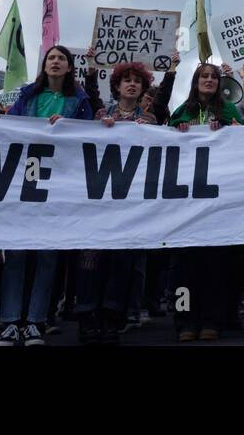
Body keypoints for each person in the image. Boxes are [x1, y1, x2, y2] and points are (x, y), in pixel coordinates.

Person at [0, 46, 94, 345]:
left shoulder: (79, 101)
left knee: (47, 255)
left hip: (59, 184)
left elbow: (89, 137)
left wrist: (71, 127)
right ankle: (11, 321)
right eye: (51, 57)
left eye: (61, 58)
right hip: (24, 180)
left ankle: (36, 321)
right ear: (45, 65)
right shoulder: (27, 97)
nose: (55, 61)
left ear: (68, 67)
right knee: (16, 254)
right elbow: (7, 128)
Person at [76, 61, 158, 345]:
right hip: (99, 200)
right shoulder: (100, 114)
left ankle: (112, 319)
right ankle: (88, 318)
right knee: (91, 260)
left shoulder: (150, 122)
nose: (132, 84)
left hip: (129, 203)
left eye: (137, 81)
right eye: (127, 80)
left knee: (121, 262)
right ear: (117, 86)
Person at [167, 62, 244, 341]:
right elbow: (165, 141)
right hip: (185, 203)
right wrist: (179, 129)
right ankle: (184, 320)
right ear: (196, 81)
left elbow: (243, 141)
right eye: (204, 76)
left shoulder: (229, 110)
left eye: (213, 76)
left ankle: (212, 318)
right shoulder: (181, 112)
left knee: (215, 265)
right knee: (184, 269)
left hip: (217, 203)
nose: (209, 80)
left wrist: (227, 129)